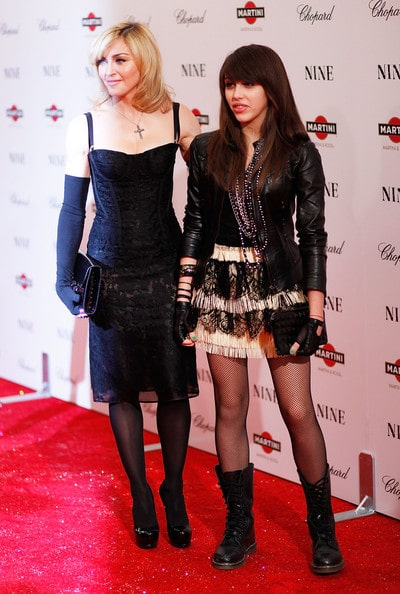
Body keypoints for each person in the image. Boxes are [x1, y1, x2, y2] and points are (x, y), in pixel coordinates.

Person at [174, 44, 344, 574]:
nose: (237, 94)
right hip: (221, 292)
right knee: (230, 408)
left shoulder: (298, 151)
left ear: (272, 88)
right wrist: (184, 296)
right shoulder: (207, 149)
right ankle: (239, 527)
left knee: (297, 410)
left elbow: (312, 236)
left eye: (248, 83)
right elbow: (195, 224)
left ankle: (323, 531)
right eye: (229, 84)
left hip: (280, 291)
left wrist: (315, 313)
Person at [56, 21, 201, 550]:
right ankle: (141, 492)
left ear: (144, 61)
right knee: (120, 388)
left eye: (119, 59)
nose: (108, 70)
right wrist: (63, 276)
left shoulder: (180, 117)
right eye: (102, 61)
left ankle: (173, 491)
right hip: (111, 273)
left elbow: (207, 197)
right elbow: (73, 210)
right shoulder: (86, 126)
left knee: (174, 384)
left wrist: (202, 264)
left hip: (167, 268)